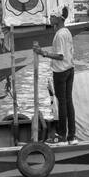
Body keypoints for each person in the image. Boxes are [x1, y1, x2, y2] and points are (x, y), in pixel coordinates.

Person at [33, 10, 77, 144]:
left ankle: (62, 136)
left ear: (58, 18)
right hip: (70, 69)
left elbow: (60, 56)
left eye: (52, 16)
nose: (50, 18)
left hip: (61, 71)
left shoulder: (59, 35)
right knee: (68, 102)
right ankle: (72, 136)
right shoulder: (67, 31)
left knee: (62, 103)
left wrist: (43, 53)